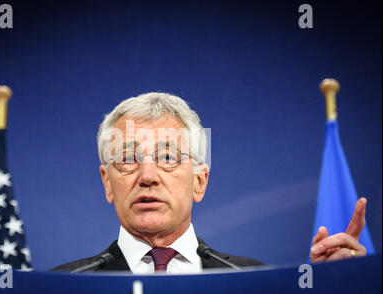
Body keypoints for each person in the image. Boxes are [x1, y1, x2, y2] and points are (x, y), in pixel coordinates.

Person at [51, 92, 367, 274]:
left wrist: (328, 287)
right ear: (108, 182)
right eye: (128, 159)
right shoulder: (64, 286)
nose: (147, 176)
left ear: (199, 182)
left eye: (168, 157)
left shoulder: (252, 281)